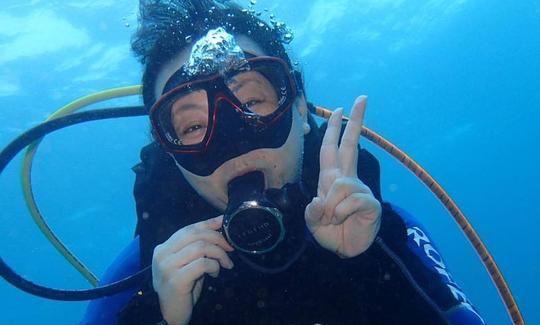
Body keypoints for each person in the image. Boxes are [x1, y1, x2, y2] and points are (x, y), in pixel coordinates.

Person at [82, 1, 487, 324]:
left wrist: (370, 267)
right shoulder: (141, 274)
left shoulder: (380, 229)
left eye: (253, 101)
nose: (232, 141)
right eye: (191, 127)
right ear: (169, 153)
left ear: (297, 107)